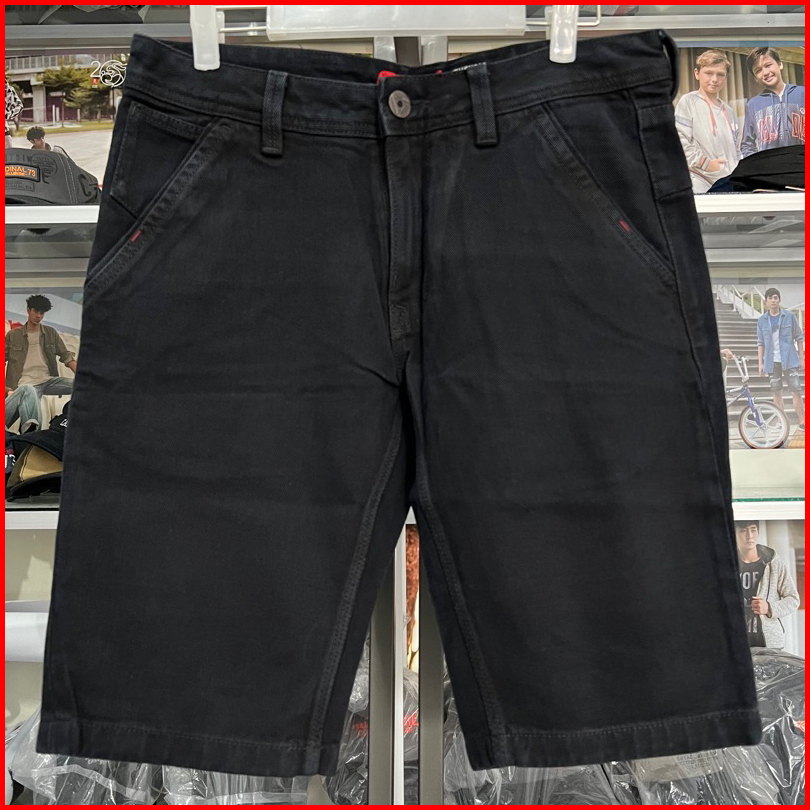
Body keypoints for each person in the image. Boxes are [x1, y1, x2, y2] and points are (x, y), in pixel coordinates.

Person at [5, 295, 77, 431]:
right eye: (36, 311)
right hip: (25, 385)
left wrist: (83, 378)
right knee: (34, 420)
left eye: (42, 313)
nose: (38, 316)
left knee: (82, 386)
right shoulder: (13, 335)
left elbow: (66, 356)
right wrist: (7, 390)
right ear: (28, 310)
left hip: (49, 381)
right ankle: (30, 436)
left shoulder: (50, 333)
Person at [675, 50, 741, 193]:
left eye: (720, 74)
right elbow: (678, 141)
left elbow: (736, 148)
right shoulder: (688, 102)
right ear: (697, 73)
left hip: (729, 183)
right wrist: (706, 164)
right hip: (702, 182)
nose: (715, 79)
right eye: (709, 73)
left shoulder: (729, 111)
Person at [735, 520, 800, 650]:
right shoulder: (727, 564)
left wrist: (769, 608)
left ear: (758, 532)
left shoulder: (772, 562)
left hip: (769, 644)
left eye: (753, 530)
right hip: (736, 643)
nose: (749, 536)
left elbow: (793, 599)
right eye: (743, 531)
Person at [741, 47, 805, 157]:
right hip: (770, 165)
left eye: (768, 65)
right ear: (755, 78)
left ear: (780, 64)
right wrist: (758, 164)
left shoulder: (803, 93)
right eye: (758, 70)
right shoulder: (753, 105)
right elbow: (747, 145)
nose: (765, 72)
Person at [757, 287, 805, 433]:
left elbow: (799, 337)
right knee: (776, 393)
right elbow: (760, 342)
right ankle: (781, 421)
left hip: (790, 360)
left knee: (796, 391)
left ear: (779, 300)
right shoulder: (762, 320)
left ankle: (802, 422)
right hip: (772, 362)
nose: (773, 300)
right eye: (770, 298)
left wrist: (802, 358)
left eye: (776, 297)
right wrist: (760, 363)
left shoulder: (789, 316)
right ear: (766, 301)